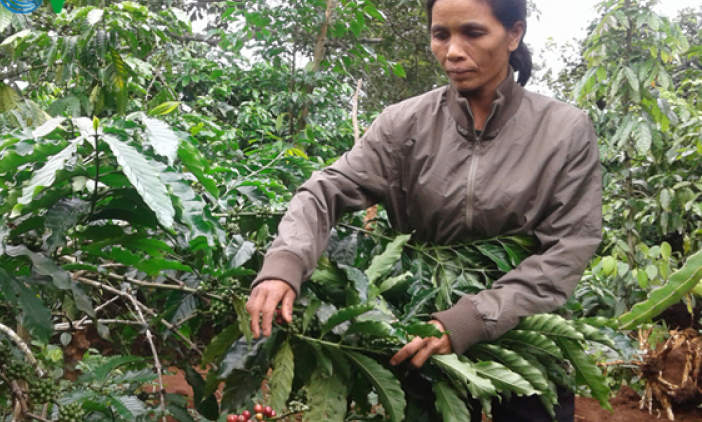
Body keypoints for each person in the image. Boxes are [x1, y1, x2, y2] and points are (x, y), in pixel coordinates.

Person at [246, 0, 602, 420]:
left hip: (524, 332)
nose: (452, 51)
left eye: (472, 32)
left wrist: (469, 319)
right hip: (421, 329)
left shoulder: (563, 131)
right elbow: (324, 191)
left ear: (514, 34)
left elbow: (567, 248)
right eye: (440, 34)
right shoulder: (404, 124)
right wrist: (284, 263)